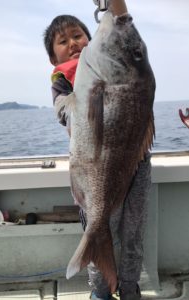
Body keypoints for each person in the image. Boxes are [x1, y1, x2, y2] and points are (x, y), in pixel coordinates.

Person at [43, 1, 151, 299]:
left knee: (133, 235)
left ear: (90, 41)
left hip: (136, 164)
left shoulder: (113, 65)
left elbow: (120, 18)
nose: (73, 43)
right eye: (63, 42)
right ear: (54, 58)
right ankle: (101, 291)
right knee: (98, 227)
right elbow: (63, 113)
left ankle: (129, 288)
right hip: (96, 173)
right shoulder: (63, 80)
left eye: (78, 36)